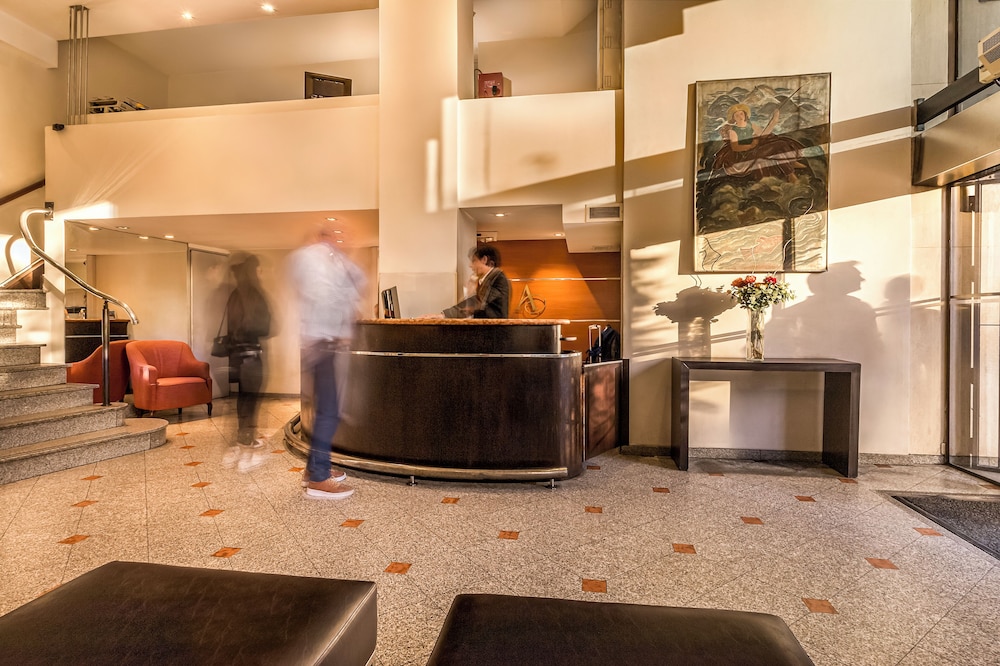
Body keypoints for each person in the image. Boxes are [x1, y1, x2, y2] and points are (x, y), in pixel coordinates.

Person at [287, 222, 365, 500]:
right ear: (323, 237)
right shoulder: (313, 259)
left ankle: (315, 469)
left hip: (322, 344)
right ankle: (318, 479)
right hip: (321, 344)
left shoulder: (330, 260)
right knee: (329, 411)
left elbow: (356, 282)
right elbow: (328, 295)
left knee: (326, 410)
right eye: (337, 236)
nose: (343, 241)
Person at [220, 253, 272, 473]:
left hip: (236, 355)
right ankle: (247, 443)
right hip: (252, 355)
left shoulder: (234, 294)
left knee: (243, 398)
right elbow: (265, 327)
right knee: (252, 398)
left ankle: (242, 438)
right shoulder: (254, 294)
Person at [711, 103, 808, 181]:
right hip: (744, 156)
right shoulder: (733, 130)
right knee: (780, 144)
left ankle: (791, 171)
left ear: (745, 114)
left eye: (741, 113)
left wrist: (774, 121)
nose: (740, 116)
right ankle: (790, 169)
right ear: (733, 118)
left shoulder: (751, 125)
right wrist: (751, 145)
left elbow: (764, 135)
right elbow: (736, 147)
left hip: (754, 150)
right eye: (737, 115)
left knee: (780, 143)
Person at [433, 244, 511, 319]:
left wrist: (444, 315)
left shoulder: (497, 278)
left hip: (493, 327)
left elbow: (478, 303)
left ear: (484, 259)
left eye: (474, 261)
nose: (470, 265)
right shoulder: (488, 279)